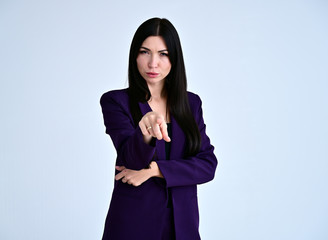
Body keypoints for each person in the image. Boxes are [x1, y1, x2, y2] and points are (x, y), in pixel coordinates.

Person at [100, 17, 218, 240]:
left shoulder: (191, 104)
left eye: (163, 54)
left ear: (174, 58)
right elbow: (130, 159)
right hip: (133, 225)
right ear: (134, 56)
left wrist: (154, 171)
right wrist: (145, 132)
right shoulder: (116, 101)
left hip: (183, 227)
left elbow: (207, 165)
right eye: (145, 52)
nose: (153, 63)